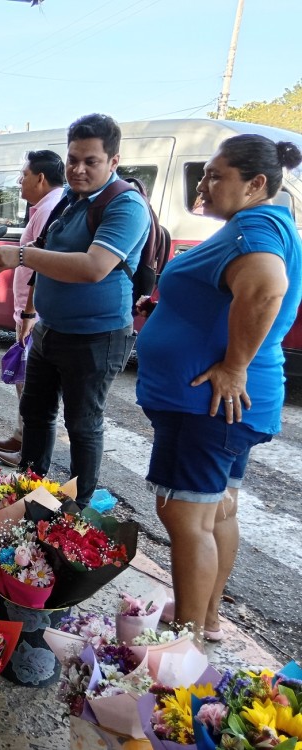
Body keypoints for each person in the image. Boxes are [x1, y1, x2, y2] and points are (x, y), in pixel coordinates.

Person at [135, 134, 302, 643]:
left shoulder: (256, 227)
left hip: (207, 401)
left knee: (186, 514)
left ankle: (183, 637)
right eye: (205, 173)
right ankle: (205, 618)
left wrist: (233, 366)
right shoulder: (257, 224)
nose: (204, 184)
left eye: (217, 175)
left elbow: (266, 287)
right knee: (214, 509)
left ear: (256, 184)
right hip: (215, 404)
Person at [0, 113, 150, 505]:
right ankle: (28, 496)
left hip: (96, 336)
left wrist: (21, 255)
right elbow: (51, 257)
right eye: (73, 159)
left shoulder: (125, 206)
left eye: (90, 161)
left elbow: (94, 267)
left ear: (113, 161)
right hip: (50, 330)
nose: (78, 169)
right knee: (36, 415)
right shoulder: (71, 201)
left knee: (82, 425)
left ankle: (75, 510)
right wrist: (29, 314)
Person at [0, 150, 66, 466]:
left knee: (32, 384)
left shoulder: (51, 208)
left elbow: (41, 264)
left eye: (23, 175)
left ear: (41, 178)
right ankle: (22, 436)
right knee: (24, 378)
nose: (19, 181)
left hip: (35, 312)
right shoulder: (45, 207)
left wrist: (29, 313)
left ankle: (29, 448)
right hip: (28, 309)